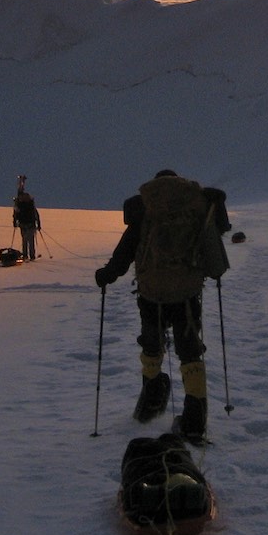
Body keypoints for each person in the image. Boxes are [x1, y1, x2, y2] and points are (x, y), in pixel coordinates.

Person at [95, 169, 231, 441]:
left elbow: (126, 251)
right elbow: (217, 239)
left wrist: (107, 274)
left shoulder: (146, 208)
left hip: (151, 294)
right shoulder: (195, 206)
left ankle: (152, 396)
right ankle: (194, 420)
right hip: (187, 294)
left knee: (152, 345)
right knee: (190, 351)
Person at [12, 175, 41, 261]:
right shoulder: (30, 204)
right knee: (30, 241)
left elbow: (15, 214)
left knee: (24, 240)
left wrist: (15, 222)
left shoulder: (19, 204)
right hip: (31, 224)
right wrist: (38, 224)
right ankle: (31, 256)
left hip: (23, 224)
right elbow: (36, 214)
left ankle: (25, 256)